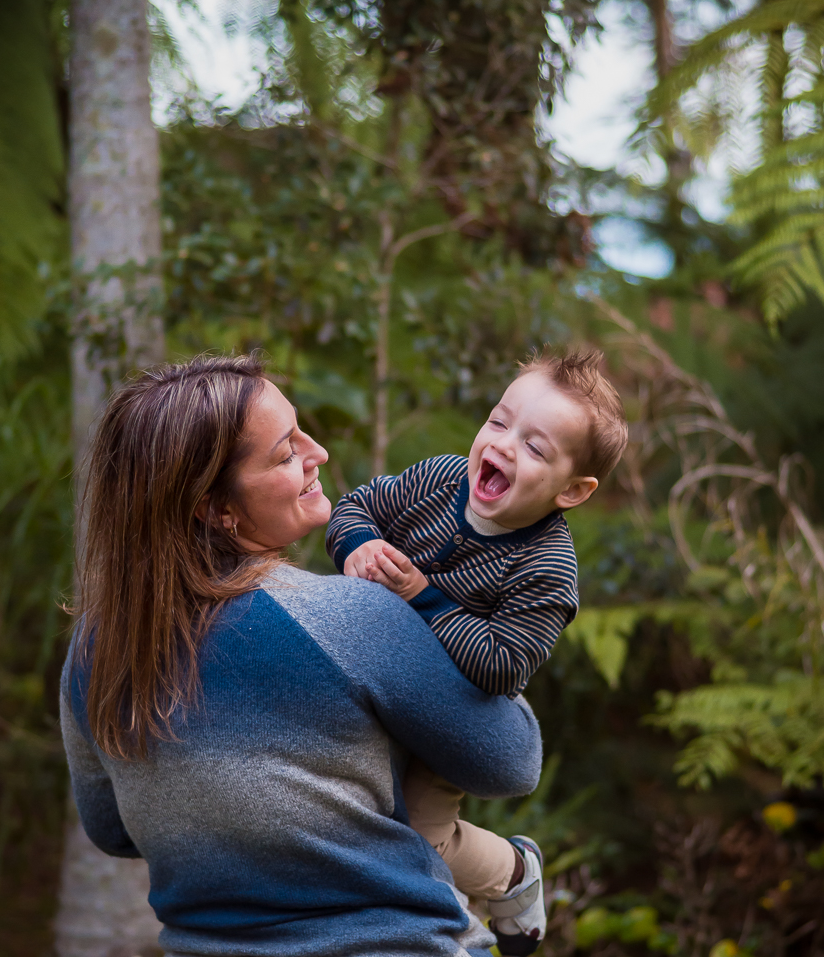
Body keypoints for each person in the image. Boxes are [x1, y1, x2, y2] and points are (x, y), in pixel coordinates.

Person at [60, 354, 545, 957]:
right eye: (286, 452)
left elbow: (112, 829)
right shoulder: (349, 619)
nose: (318, 452)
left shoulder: (98, 648)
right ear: (216, 508)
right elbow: (511, 761)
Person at [327, 349, 628, 955]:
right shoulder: (439, 479)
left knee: (421, 837)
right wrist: (357, 545)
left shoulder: (547, 568)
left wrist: (420, 594)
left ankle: (512, 876)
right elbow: (358, 505)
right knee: (350, 807)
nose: (504, 446)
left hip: (452, 711)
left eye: (535, 447)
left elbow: (501, 665)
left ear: (573, 490)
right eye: (498, 422)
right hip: (375, 682)